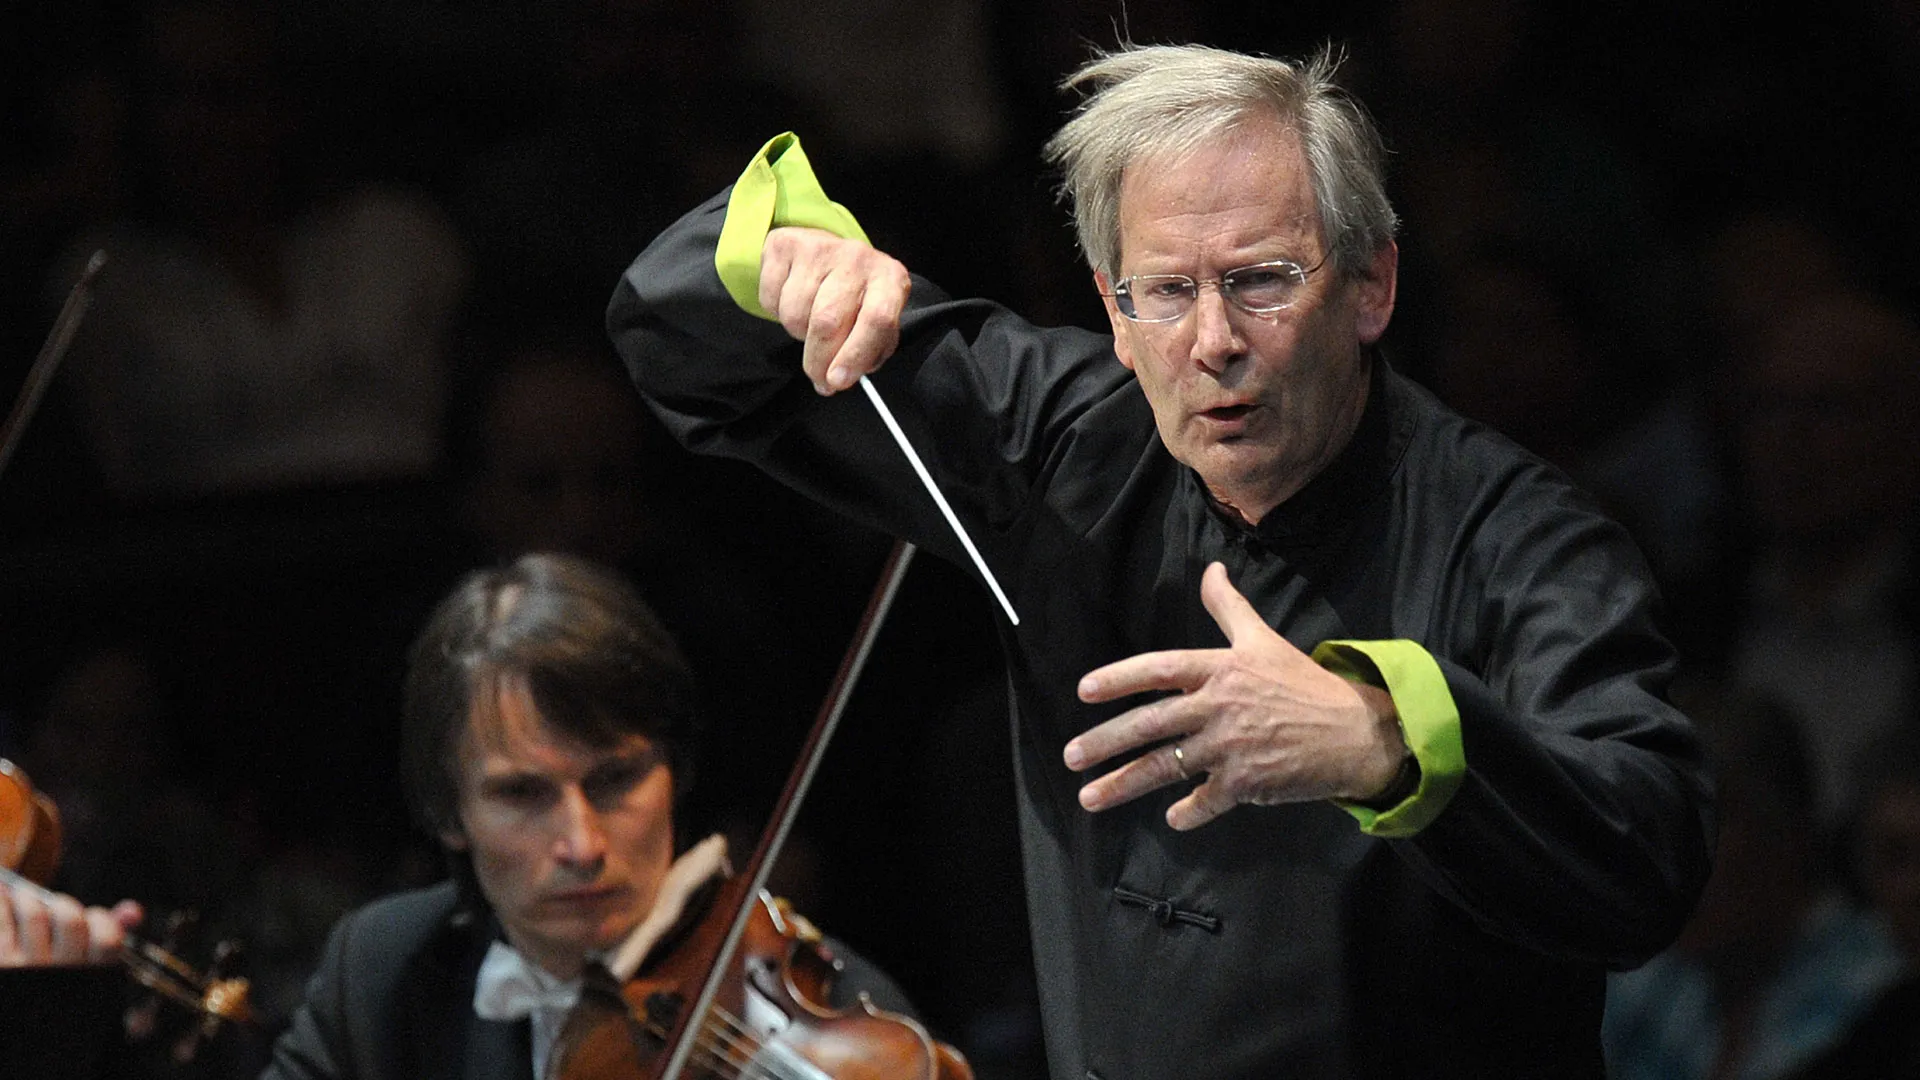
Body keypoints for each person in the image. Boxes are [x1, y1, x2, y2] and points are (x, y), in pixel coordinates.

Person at [607, 42, 1714, 1079]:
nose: (1214, 341)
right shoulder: (1056, 436)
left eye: (1264, 279)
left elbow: (1648, 863)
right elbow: (684, 349)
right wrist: (780, 263)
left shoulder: (1524, 538)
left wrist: (1384, 740)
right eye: (1168, 292)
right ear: (1113, 310)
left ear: (1372, 286)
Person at [1, 552, 919, 1080]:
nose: (581, 845)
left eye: (614, 782)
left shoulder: (834, 1019)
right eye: (522, 794)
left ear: (674, 776)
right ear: (447, 811)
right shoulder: (387, 977)